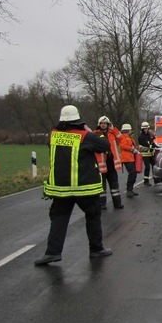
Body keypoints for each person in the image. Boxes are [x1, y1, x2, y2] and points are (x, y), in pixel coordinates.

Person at [34, 105, 112, 265]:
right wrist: (90, 131)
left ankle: (52, 252)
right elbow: (105, 146)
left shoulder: (53, 136)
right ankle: (96, 250)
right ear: (78, 120)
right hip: (84, 188)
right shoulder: (86, 136)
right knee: (93, 216)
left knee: (59, 219)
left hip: (61, 189)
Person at [94, 116, 124, 209]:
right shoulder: (95, 134)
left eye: (105, 123)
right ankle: (102, 204)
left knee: (114, 184)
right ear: (99, 124)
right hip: (102, 164)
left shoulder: (112, 133)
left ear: (108, 124)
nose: (103, 125)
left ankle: (117, 203)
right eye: (101, 123)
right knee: (102, 186)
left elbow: (121, 139)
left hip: (112, 163)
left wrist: (114, 129)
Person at [120, 123, 139, 198]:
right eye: (130, 130)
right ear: (128, 130)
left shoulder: (128, 137)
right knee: (132, 173)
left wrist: (137, 148)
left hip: (130, 158)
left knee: (134, 173)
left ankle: (130, 189)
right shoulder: (123, 137)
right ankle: (129, 190)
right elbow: (123, 146)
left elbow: (131, 146)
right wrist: (132, 149)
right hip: (127, 158)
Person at [138, 121, 160, 186]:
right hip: (145, 154)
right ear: (142, 129)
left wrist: (157, 147)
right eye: (145, 128)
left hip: (150, 154)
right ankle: (146, 181)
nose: (147, 129)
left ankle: (156, 179)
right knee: (147, 167)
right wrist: (151, 142)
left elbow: (152, 143)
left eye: (147, 128)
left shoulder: (149, 135)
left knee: (154, 166)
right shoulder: (141, 137)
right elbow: (147, 144)